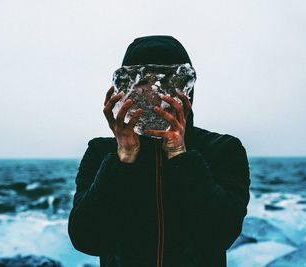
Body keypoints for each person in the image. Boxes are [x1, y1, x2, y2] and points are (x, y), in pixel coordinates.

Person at [68, 35, 251, 267]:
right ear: (126, 88)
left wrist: (180, 155)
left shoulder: (223, 150)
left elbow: (221, 233)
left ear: (187, 88)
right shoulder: (101, 152)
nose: (154, 92)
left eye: (166, 81)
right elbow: (87, 239)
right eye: (144, 81)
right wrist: (122, 159)